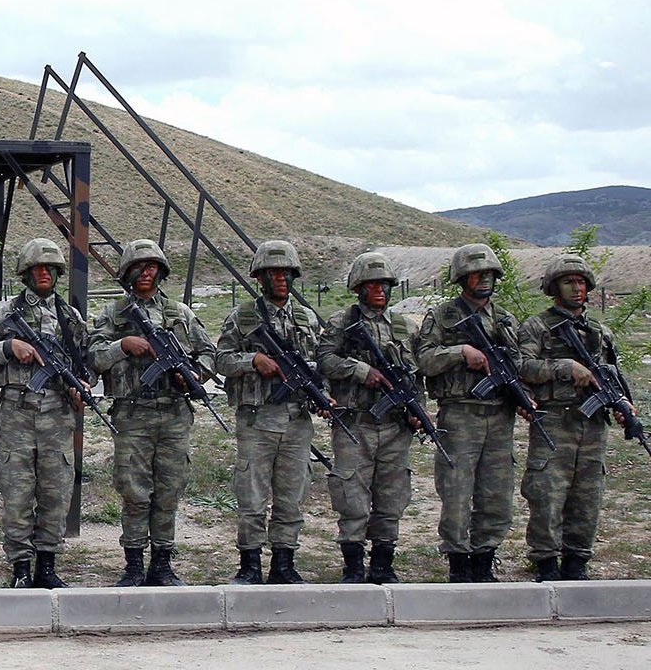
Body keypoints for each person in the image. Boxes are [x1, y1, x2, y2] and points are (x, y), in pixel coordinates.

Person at [88, 239, 218, 587]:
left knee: (169, 490)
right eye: (139, 268)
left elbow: (209, 353)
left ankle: (162, 563)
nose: (146, 274)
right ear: (127, 273)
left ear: (160, 272)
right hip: (132, 414)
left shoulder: (180, 313)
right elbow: (93, 357)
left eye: (152, 268)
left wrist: (192, 374)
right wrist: (123, 345)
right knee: (134, 491)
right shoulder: (115, 315)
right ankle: (133, 564)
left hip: (174, 413)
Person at [0, 237, 88, 589]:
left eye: (49, 268)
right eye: (36, 269)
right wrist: (8, 347)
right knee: (17, 494)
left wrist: (79, 386)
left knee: (55, 494)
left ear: (58, 272)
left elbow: (85, 364)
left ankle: (47, 566)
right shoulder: (3, 313)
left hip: (57, 418)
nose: (43, 274)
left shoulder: (70, 317)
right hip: (17, 416)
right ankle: (20, 566)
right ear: (25, 274)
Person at [517, 253, 638, 582]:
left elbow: (613, 372)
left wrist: (623, 404)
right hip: (554, 421)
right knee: (547, 493)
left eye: (581, 282)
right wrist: (565, 368)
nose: (577, 288)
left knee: (588, 495)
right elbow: (523, 367)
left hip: (593, 424)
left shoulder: (598, 330)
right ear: (554, 287)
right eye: (568, 282)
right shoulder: (537, 326)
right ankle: (545, 562)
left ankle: (577, 560)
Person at [216, 240, 325, 585]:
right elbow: (221, 360)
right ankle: (249, 564)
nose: (280, 279)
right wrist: (253, 360)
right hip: (257, 419)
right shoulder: (243, 316)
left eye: (286, 273)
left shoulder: (307, 318)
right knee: (251, 495)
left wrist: (319, 389)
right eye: (272, 273)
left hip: (296, 420)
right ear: (259, 277)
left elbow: (323, 363)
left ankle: (284, 562)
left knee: (292, 495)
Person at [415, 243, 525, 582]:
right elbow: (425, 360)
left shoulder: (505, 319)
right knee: (457, 491)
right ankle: (459, 564)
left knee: (496, 493)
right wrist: (461, 352)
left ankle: (484, 558)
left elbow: (519, 362)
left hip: (499, 415)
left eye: (489, 274)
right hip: (460, 412)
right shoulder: (442, 316)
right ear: (462, 278)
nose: (484, 280)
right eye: (477, 274)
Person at [315, 251, 421, 584]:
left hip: (394, 425)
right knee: (352, 496)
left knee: (392, 496)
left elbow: (415, 374)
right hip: (355, 422)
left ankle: (383, 564)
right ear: (359, 287)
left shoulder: (404, 326)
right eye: (372, 284)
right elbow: (324, 360)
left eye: (385, 284)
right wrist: (361, 371)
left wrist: (418, 410)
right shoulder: (341, 323)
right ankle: (353, 565)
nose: (379, 290)